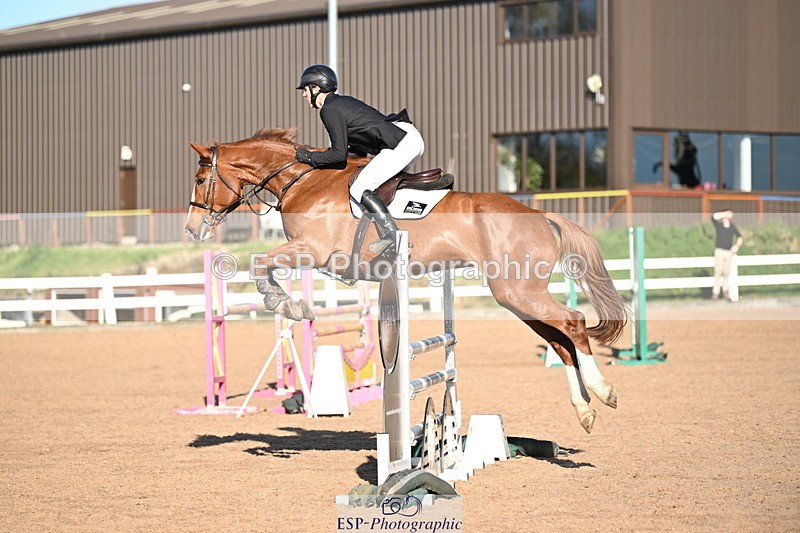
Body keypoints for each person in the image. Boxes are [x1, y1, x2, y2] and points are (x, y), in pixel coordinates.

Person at [293, 64, 424, 255]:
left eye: (305, 89)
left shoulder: (329, 110)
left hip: (401, 143)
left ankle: (394, 239)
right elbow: (355, 151)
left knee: (359, 188)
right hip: (407, 138)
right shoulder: (340, 103)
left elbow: (338, 154)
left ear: (316, 88)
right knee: (382, 185)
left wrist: (309, 156)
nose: (304, 95)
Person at [711, 209, 743, 300]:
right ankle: (715, 292)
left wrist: (736, 246)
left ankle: (725, 291)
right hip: (719, 251)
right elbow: (713, 217)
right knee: (718, 272)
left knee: (726, 273)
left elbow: (739, 237)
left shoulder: (732, 227)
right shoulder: (719, 226)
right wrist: (725, 213)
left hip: (728, 252)